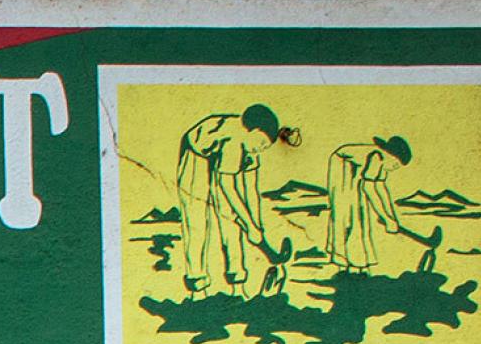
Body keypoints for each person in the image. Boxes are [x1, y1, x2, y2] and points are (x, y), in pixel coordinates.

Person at [174, 102, 299, 296]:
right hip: (197, 153)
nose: (261, 149)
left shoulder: (251, 148)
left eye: (266, 147)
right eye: (262, 144)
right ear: (252, 131)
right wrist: (250, 225)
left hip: (220, 158)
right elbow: (227, 187)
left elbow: (250, 191)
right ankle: (197, 287)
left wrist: (255, 226)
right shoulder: (235, 140)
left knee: (233, 223)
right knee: (197, 219)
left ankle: (238, 288)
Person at [326, 134, 426, 273]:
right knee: (347, 213)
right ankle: (343, 262)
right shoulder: (377, 157)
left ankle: (357, 263)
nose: (394, 168)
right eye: (396, 164)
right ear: (390, 155)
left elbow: (381, 189)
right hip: (341, 165)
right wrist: (386, 219)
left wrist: (391, 218)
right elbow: (368, 188)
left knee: (360, 214)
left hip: (354, 172)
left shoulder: (382, 163)